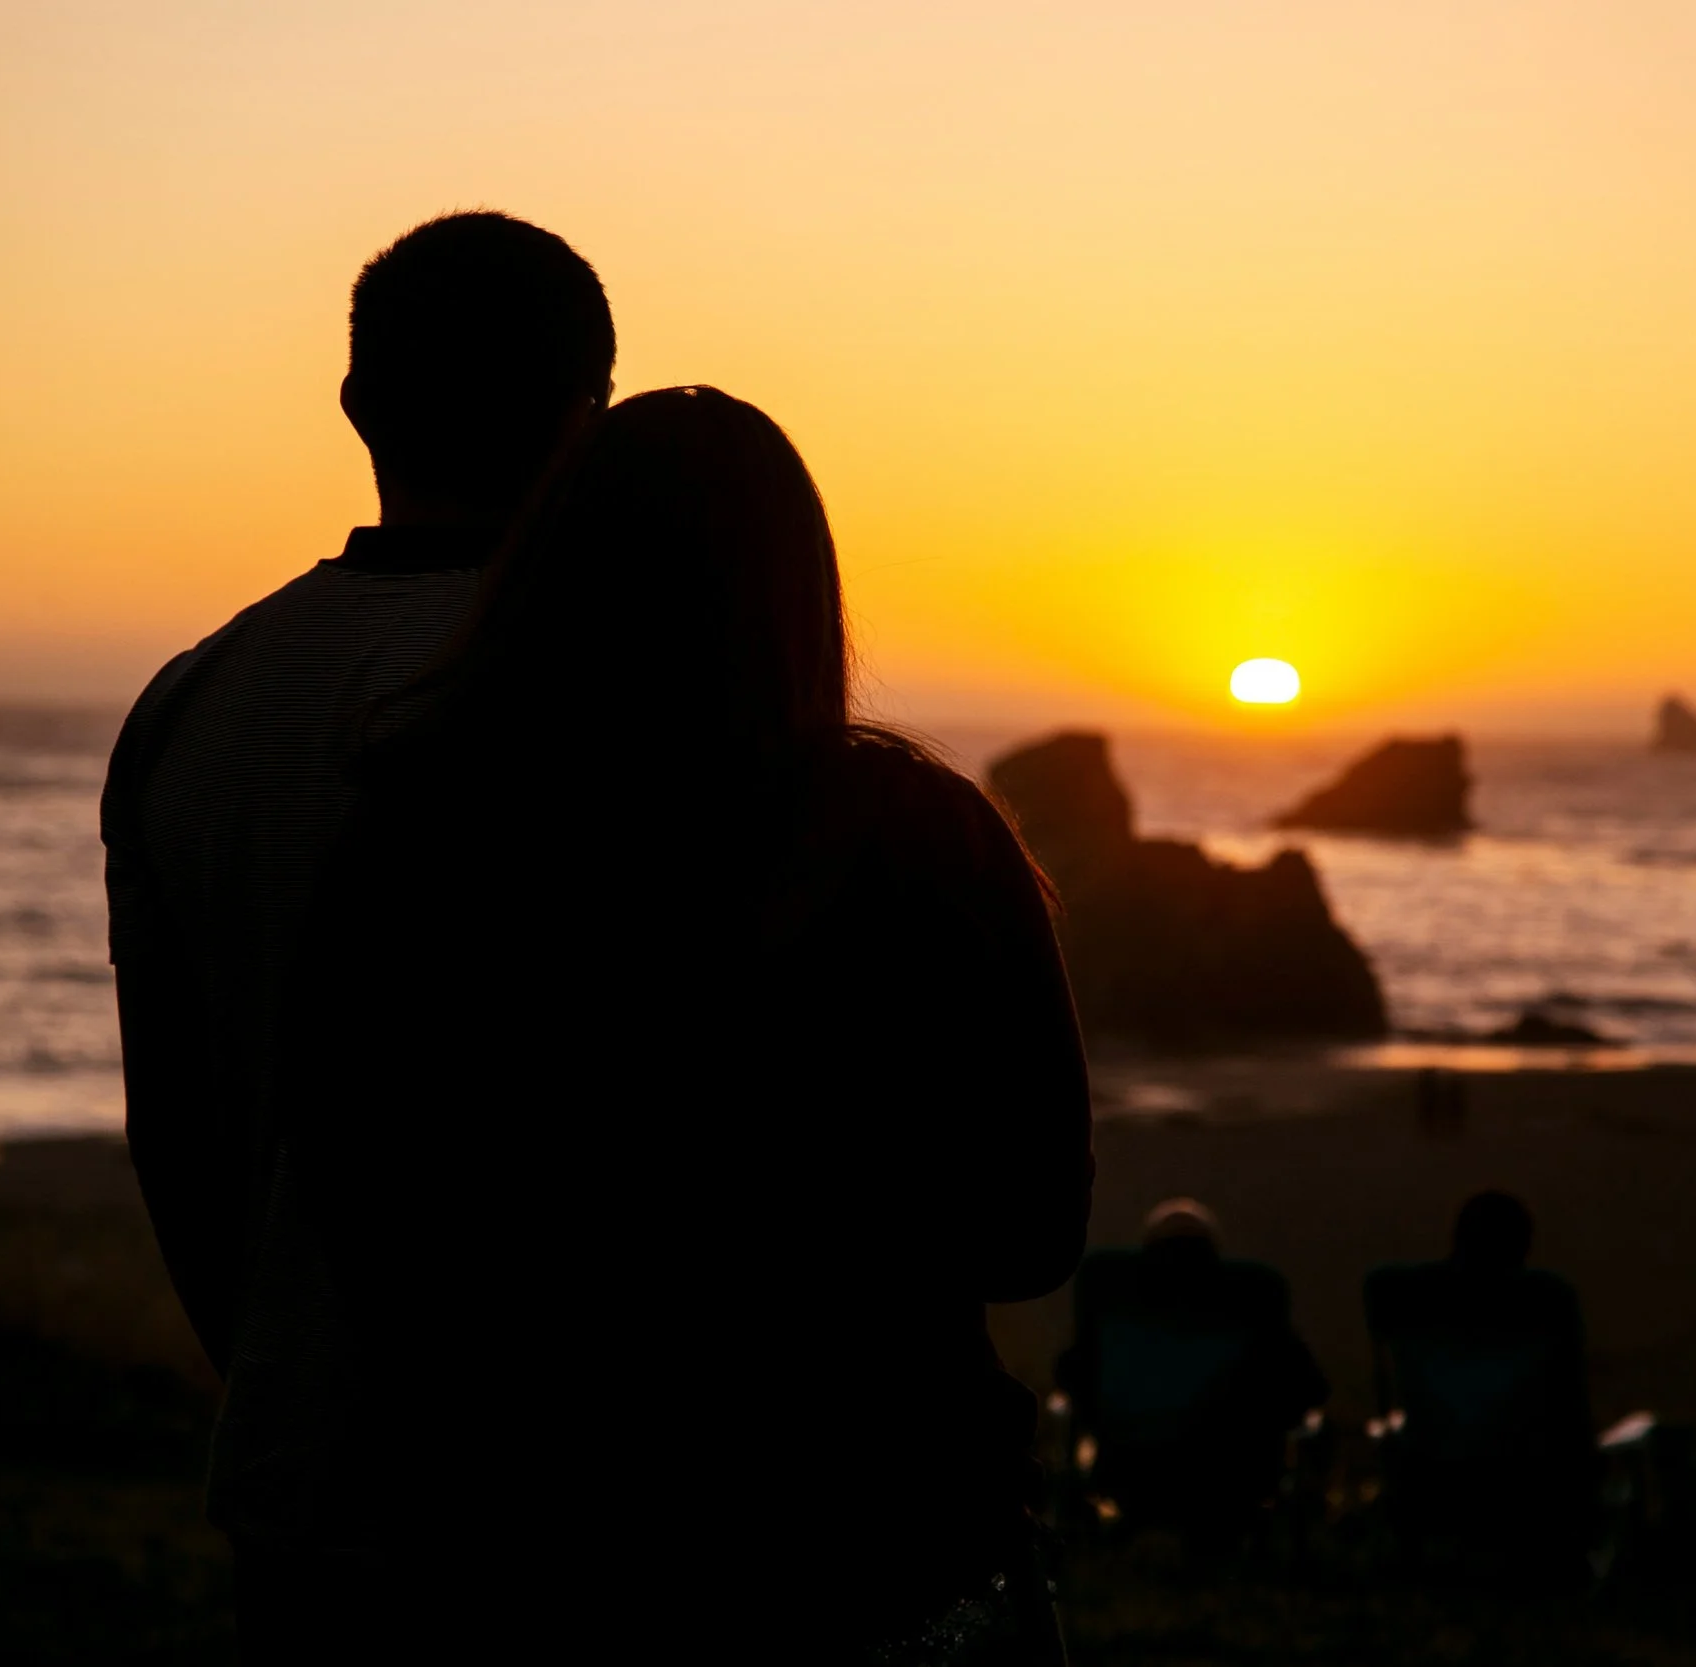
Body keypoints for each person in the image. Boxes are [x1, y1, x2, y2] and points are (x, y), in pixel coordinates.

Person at [277, 387, 1095, 1657]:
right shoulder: (926, 836)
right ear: (801, 591)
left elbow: (359, 1198)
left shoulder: (416, 838)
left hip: (524, 1541)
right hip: (883, 1535)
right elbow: (1035, 1227)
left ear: (549, 564)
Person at [99, 212, 614, 1651]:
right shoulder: (608, 692)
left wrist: (273, 1365)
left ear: (356, 405)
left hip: (300, 1490)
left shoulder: (186, 708)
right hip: (592, 1501)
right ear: (593, 422)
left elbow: (176, 1129)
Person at [1054, 1199, 1328, 1546]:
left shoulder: (1114, 1299)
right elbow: (1310, 1389)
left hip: (1131, 1468)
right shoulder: (1251, 1299)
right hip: (1231, 1472)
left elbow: (1069, 1376)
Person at [1362, 1190, 1597, 1585]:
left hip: (1431, 1476)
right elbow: (1571, 1407)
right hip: (1524, 1483)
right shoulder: (1546, 1301)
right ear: (1523, 1247)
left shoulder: (1408, 1295)